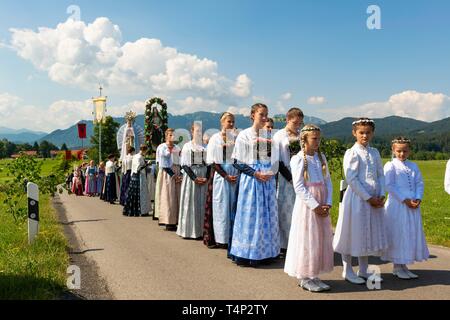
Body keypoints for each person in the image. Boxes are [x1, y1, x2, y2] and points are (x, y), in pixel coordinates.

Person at [333, 118, 387, 284]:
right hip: (357, 199)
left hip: (374, 199)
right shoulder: (352, 152)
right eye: (361, 132)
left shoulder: (375, 152)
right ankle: (347, 270)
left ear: (372, 133)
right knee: (352, 232)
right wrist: (368, 197)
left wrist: (381, 193)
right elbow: (352, 178)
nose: (365, 135)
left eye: (368, 132)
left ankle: (363, 269)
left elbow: (380, 174)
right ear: (354, 133)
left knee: (366, 233)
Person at [229, 103, 280, 267]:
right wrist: (255, 173)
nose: (264, 118)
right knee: (252, 216)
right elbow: (237, 162)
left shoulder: (268, 136)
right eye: (261, 114)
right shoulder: (244, 135)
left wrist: (271, 172)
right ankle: (247, 253)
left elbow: (274, 160)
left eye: (266, 114)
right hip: (252, 181)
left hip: (267, 181)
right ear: (252, 115)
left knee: (267, 216)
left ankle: (266, 252)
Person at [284, 124, 333, 292]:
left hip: (322, 202)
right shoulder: (298, 159)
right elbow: (299, 186)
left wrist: (328, 202)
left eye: (319, 138)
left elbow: (328, 182)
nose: (318, 141)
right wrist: (315, 205)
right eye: (314, 138)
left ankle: (314, 274)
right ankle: (305, 277)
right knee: (308, 239)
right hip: (308, 205)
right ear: (304, 140)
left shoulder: (321, 158)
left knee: (319, 239)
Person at [381, 137, 429, 279]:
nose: (402, 154)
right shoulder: (390, 166)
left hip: (412, 205)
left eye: (405, 151)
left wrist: (418, 197)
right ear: (393, 150)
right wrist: (404, 199)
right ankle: (397, 266)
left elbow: (419, 183)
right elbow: (389, 185)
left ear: (409, 151)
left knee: (409, 233)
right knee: (399, 233)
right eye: (399, 151)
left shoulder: (413, 166)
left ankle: (404, 265)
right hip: (398, 205)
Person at [272, 107, 304, 253]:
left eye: (299, 123)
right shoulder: (279, 136)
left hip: (301, 174)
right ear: (287, 119)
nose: (297, 126)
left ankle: (298, 242)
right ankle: (284, 244)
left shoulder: (301, 135)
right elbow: (276, 160)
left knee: (299, 209)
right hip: (286, 176)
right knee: (286, 209)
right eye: (295, 123)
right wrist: (289, 178)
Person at [206, 112, 239, 249]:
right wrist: (225, 176)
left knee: (233, 207)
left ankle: (233, 236)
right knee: (221, 207)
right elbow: (213, 161)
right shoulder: (215, 138)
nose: (231, 124)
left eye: (232, 122)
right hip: (221, 176)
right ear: (222, 123)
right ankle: (221, 238)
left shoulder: (236, 138)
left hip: (235, 175)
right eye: (228, 122)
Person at [177, 123, 209, 239]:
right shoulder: (187, 146)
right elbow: (184, 165)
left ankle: (202, 231)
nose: (199, 133)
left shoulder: (205, 146)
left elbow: (209, 164)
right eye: (197, 130)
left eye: (201, 131)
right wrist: (194, 178)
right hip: (192, 176)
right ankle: (189, 231)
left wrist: (206, 177)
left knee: (202, 202)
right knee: (191, 202)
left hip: (203, 174)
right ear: (192, 131)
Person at [155, 129, 182, 230]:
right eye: (170, 135)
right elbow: (163, 163)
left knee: (177, 196)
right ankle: (168, 221)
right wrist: (172, 175)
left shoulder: (177, 147)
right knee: (168, 196)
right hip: (167, 173)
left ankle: (177, 220)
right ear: (166, 136)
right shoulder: (162, 147)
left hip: (177, 170)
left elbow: (181, 161)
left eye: (174, 135)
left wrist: (180, 174)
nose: (172, 137)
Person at [123, 145, 151, 217]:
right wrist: (147, 164)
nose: (146, 153)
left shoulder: (135, 156)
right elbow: (139, 168)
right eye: (146, 151)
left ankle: (133, 209)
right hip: (139, 176)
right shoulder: (139, 157)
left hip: (134, 176)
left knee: (133, 194)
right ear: (144, 150)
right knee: (141, 193)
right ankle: (142, 211)